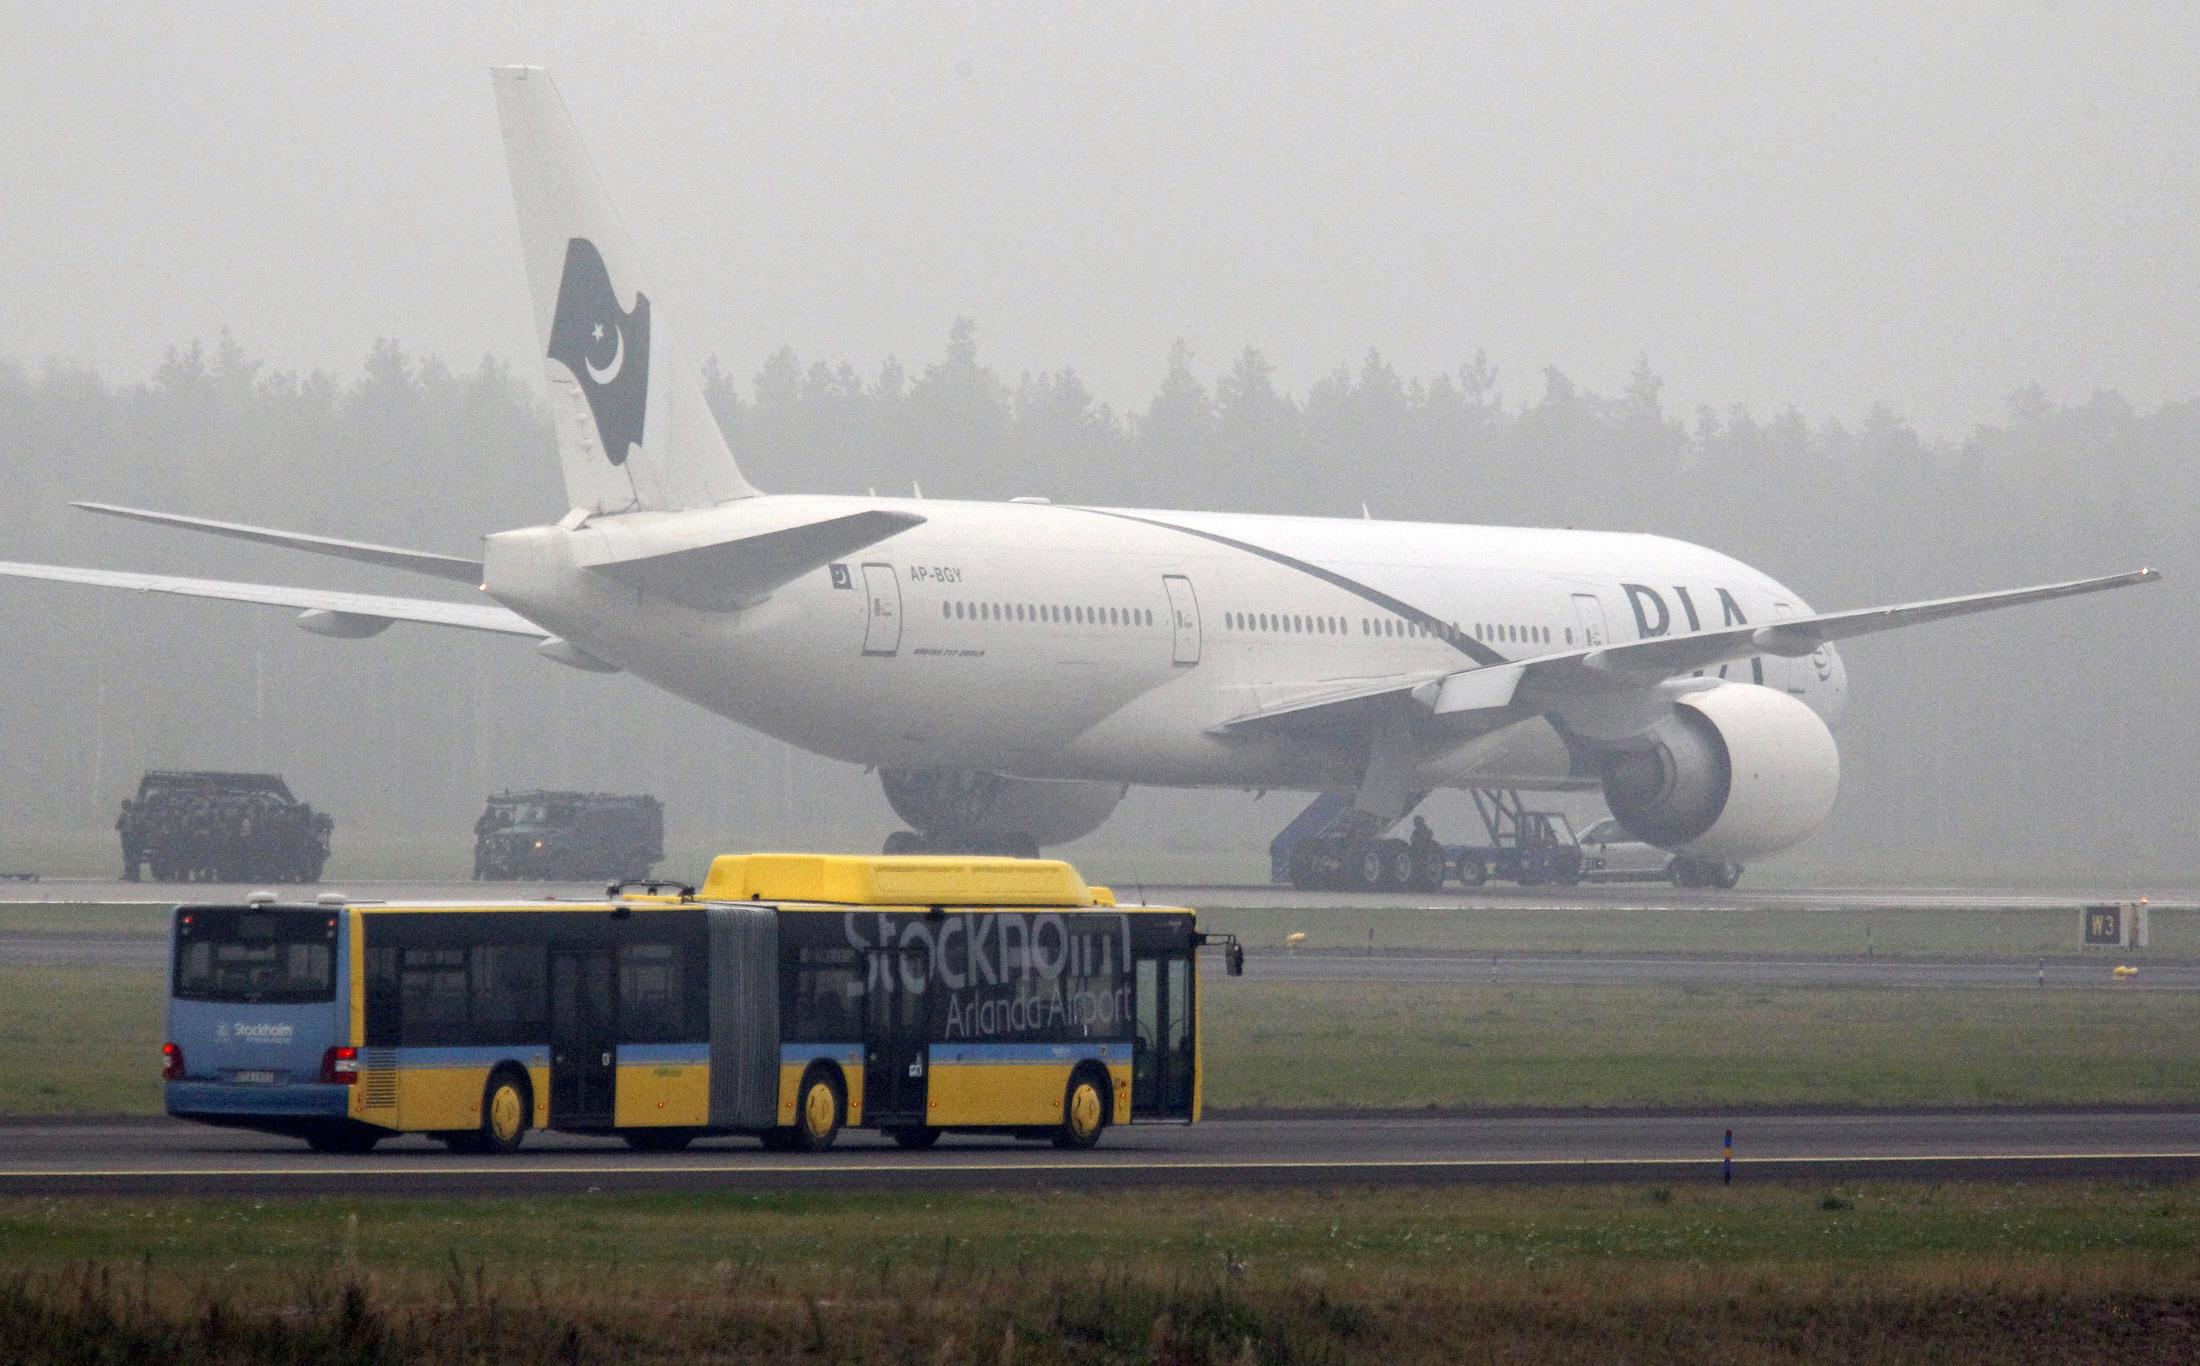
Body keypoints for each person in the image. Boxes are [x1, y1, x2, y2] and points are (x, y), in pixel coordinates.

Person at [116, 799, 143, 881]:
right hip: (133, 837)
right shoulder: (135, 815)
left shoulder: (125, 815)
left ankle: (131, 874)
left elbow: (117, 826)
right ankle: (134, 874)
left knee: (129, 856)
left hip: (128, 837)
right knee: (133, 856)